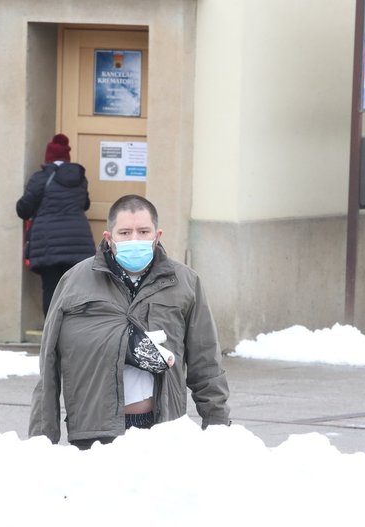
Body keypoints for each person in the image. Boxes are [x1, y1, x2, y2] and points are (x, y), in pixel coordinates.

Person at [29, 194, 231, 449]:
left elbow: (206, 364)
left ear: (157, 236)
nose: (134, 239)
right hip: (95, 430)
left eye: (143, 231)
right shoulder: (74, 282)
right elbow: (49, 367)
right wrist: (41, 439)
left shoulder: (185, 283)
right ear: (109, 237)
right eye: (125, 232)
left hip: (161, 429)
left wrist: (218, 428)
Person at [16, 133, 96, 315]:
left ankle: (52, 336)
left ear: (48, 157)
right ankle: (72, 334)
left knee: (51, 290)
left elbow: (23, 210)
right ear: (66, 157)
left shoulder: (40, 179)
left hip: (48, 243)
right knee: (75, 290)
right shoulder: (79, 178)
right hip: (77, 242)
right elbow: (85, 204)